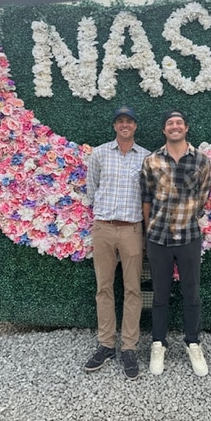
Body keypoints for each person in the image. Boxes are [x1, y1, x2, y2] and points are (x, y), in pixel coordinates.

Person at [141, 110, 211, 377]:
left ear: (186, 128)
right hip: (158, 238)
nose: (175, 126)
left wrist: (187, 216)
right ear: (164, 130)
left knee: (191, 294)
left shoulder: (202, 161)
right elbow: (146, 198)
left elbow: (203, 197)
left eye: (179, 123)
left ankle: (193, 343)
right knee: (160, 295)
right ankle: (158, 343)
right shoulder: (152, 161)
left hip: (189, 237)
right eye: (170, 123)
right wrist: (148, 231)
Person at [84, 106, 151, 380]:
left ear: (135, 126)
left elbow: (148, 194)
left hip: (132, 229)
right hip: (103, 228)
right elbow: (92, 188)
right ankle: (106, 344)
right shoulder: (99, 153)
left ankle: (130, 348)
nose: (125, 125)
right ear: (115, 126)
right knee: (104, 287)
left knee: (133, 289)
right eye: (120, 121)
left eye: (129, 121)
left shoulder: (146, 157)